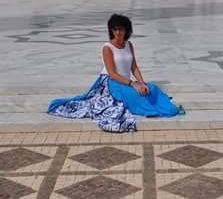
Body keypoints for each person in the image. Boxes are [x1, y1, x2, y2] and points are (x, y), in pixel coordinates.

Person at [47, 14, 184, 132]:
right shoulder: (108, 48)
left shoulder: (129, 45)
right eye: (115, 29)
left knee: (151, 88)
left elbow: (134, 67)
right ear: (111, 30)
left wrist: (142, 83)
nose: (118, 32)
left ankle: (165, 108)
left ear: (126, 30)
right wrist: (133, 84)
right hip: (111, 83)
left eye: (121, 29)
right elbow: (112, 74)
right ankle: (153, 109)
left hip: (125, 81)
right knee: (135, 94)